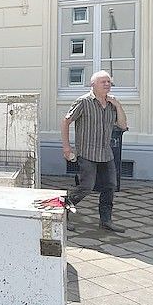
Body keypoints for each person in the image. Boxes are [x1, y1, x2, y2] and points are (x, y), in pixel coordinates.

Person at [61, 70, 128, 233]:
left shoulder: (112, 104)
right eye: (103, 82)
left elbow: (123, 126)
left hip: (106, 153)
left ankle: (106, 221)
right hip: (87, 153)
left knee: (110, 186)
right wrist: (66, 147)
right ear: (93, 84)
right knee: (86, 187)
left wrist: (118, 105)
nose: (107, 84)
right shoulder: (83, 102)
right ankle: (62, 212)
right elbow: (65, 122)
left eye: (109, 82)